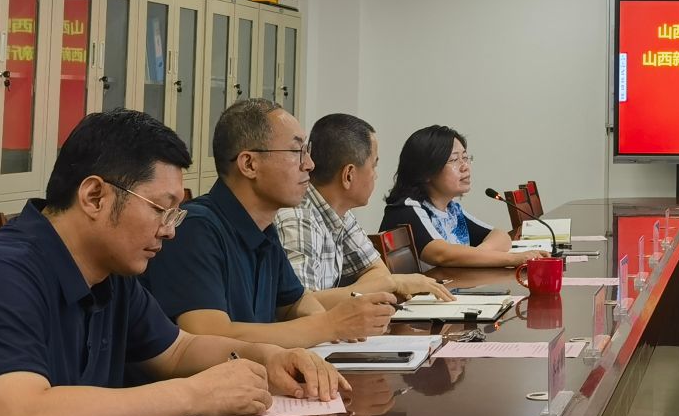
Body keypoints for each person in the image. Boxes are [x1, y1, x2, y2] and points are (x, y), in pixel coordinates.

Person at [0, 109, 348, 416]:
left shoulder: (110, 272)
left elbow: (177, 350)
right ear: (94, 197)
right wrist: (192, 395)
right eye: (161, 209)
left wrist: (267, 358)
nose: (169, 231)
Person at [141, 98, 399, 345]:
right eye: (296, 151)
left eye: (307, 151)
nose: (309, 164)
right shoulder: (195, 228)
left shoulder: (264, 228)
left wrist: (340, 327)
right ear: (249, 164)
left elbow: (295, 302)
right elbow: (210, 337)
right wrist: (329, 325)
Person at [274, 112, 451, 304]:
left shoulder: (341, 213)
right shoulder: (299, 220)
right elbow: (300, 306)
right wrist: (390, 283)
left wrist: (375, 287)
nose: (375, 175)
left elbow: (376, 270)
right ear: (349, 175)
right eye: (373, 166)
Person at [378, 125, 523, 268]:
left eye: (465, 158)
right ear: (426, 171)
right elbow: (442, 255)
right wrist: (514, 259)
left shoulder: (451, 210)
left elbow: (501, 237)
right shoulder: (406, 210)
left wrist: (478, 255)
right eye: (454, 160)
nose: (465, 166)